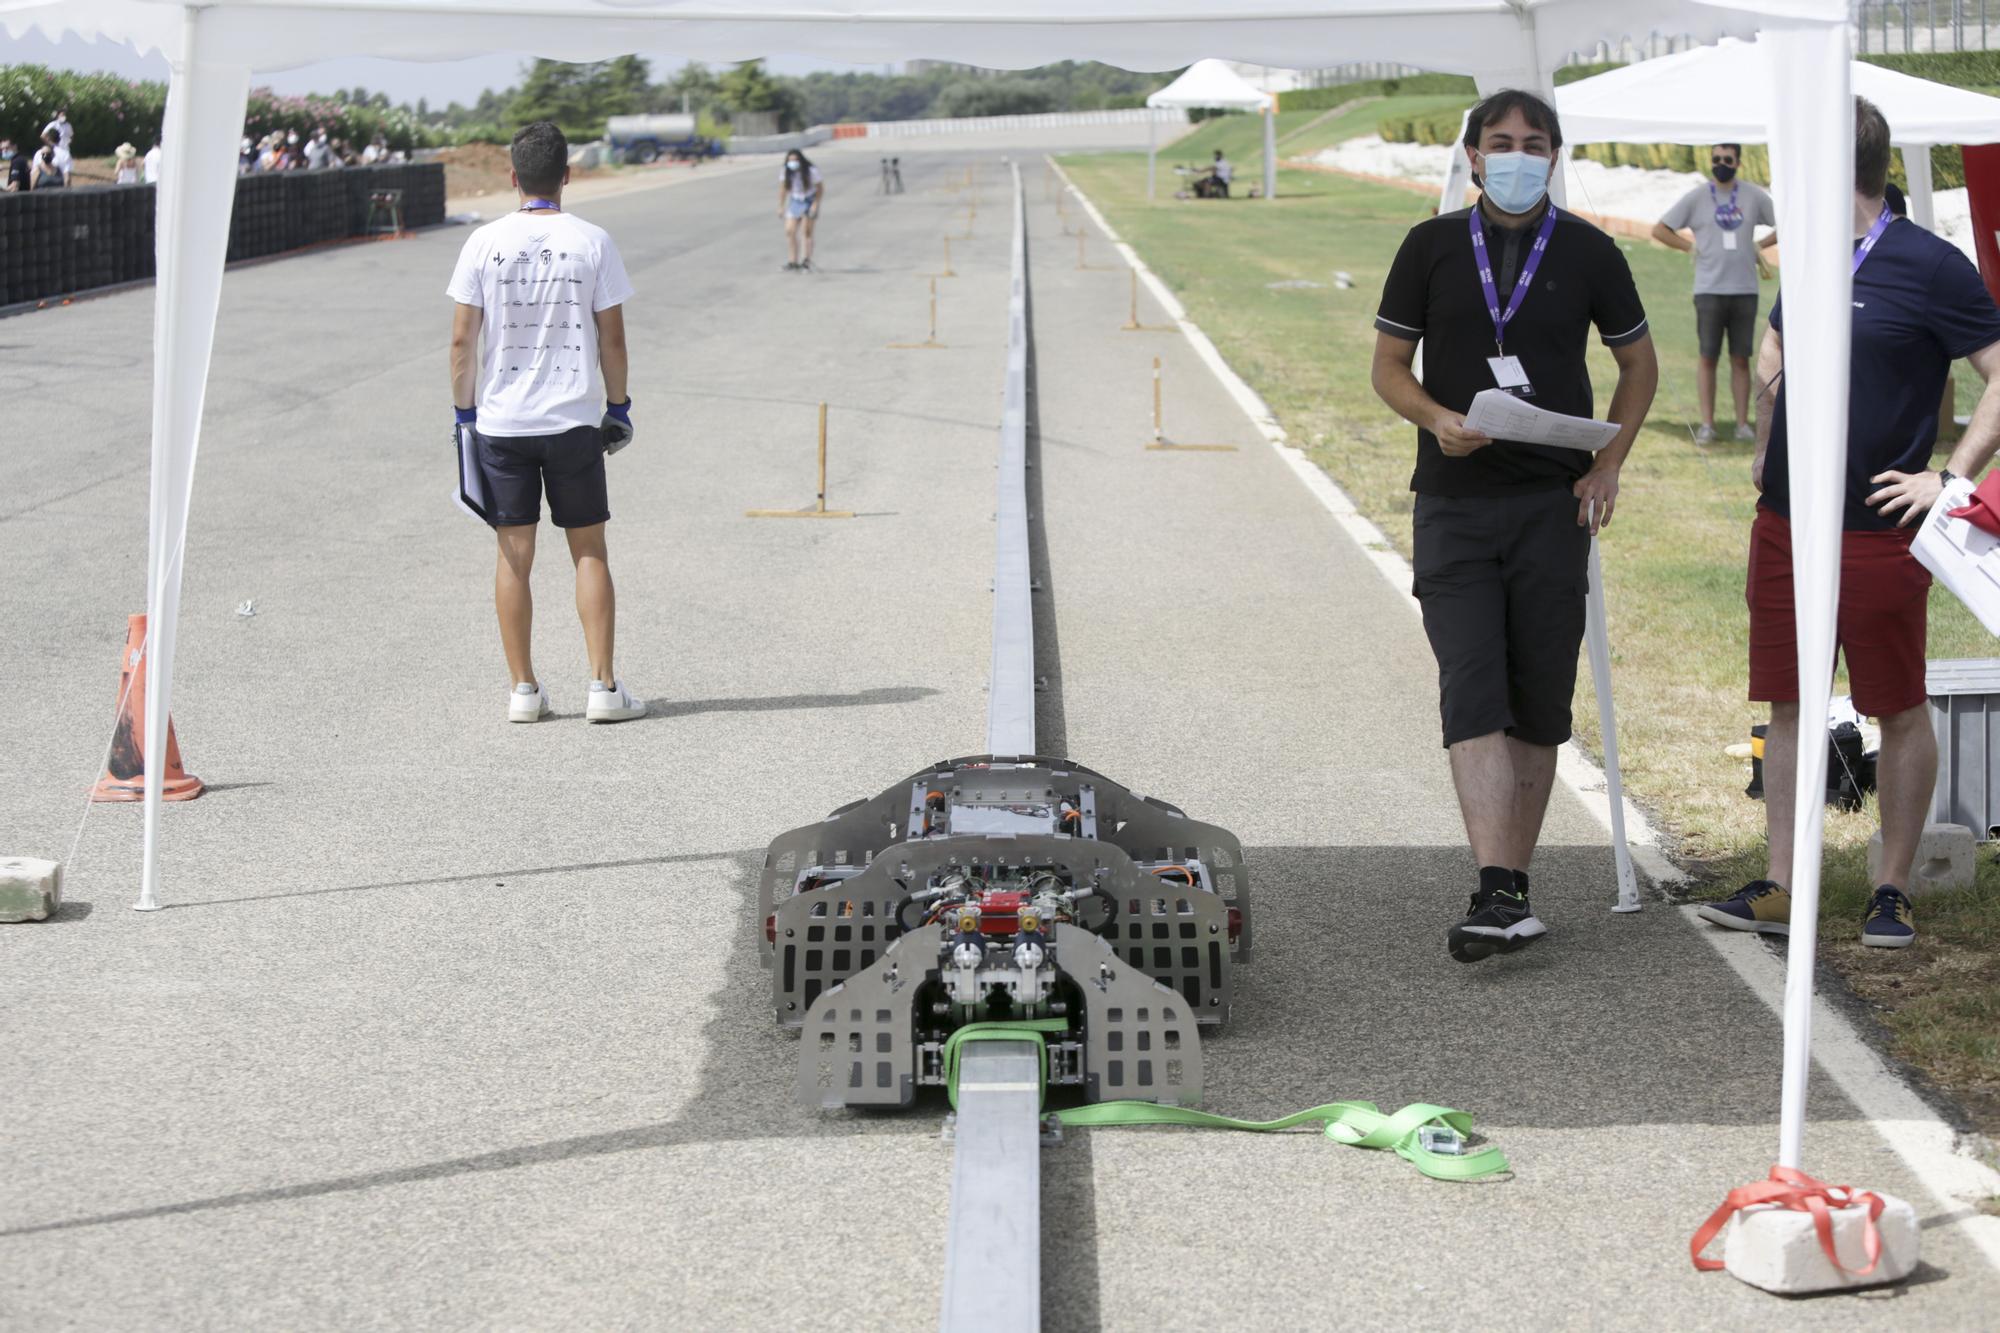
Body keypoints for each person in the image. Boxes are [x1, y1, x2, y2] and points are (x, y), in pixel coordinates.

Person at [1703, 96, 2000, 950]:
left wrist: (1949, 478)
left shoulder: (1929, 264)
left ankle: (1891, 889)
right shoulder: (1812, 259)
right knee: (1789, 702)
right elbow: (1777, 349)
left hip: (1879, 531)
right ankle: (1783, 884)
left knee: (1896, 706)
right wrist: (1764, 449)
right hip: (1787, 525)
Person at [1370, 88, 1659, 964]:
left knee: (1538, 697)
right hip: (1453, 503)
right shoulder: (1427, 246)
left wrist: (1609, 461)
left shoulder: (1590, 250)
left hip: (1552, 503)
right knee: (1471, 683)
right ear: (1471, 157)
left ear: (1556, 155)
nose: (1518, 155)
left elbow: (1639, 363)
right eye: (1501, 142)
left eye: (1535, 143)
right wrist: (1434, 417)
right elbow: (1387, 367)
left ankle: (1510, 891)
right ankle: (1496, 887)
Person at [446, 120, 644, 725]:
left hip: (503, 424)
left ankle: (523, 692)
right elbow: (612, 338)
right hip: (574, 419)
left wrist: (464, 415)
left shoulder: (483, 242)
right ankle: (602, 688)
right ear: (567, 174)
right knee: (589, 551)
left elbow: (462, 341)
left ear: (512, 177)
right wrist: (619, 407)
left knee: (514, 555)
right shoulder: (592, 241)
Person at [1653, 144, 1780, 444]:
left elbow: (1787, 220)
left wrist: (1761, 245)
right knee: (1707, 357)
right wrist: (1689, 247)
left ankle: (1741, 424)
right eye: (1716, 159)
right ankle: (1707, 424)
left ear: (1738, 162)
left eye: (1727, 160)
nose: (1721, 164)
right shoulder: (1698, 197)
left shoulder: (1752, 196)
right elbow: (1660, 229)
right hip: (1708, 289)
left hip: (1744, 289)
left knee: (1741, 358)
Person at [779, 150, 824, 272]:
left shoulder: (811, 170)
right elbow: (783, 189)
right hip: (795, 200)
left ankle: (806, 260)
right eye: (790, 160)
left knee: (806, 232)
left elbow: (820, 189)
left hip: (809, 200)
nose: (793, 163)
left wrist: (815, 204)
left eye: (795, 160)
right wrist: (781, 206)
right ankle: (792, 261)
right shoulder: (786, 171)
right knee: (790, 231)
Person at [39, 109, 72, 183]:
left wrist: (69, 142)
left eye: (64, 115)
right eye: (62, 115)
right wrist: (51, 144)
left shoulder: (68, 125)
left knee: (65, 169)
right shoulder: (53, 124)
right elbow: (43, 135)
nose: (64, 116)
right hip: (55, 149)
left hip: (65, 149)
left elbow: (71, 135)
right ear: (57, 116)